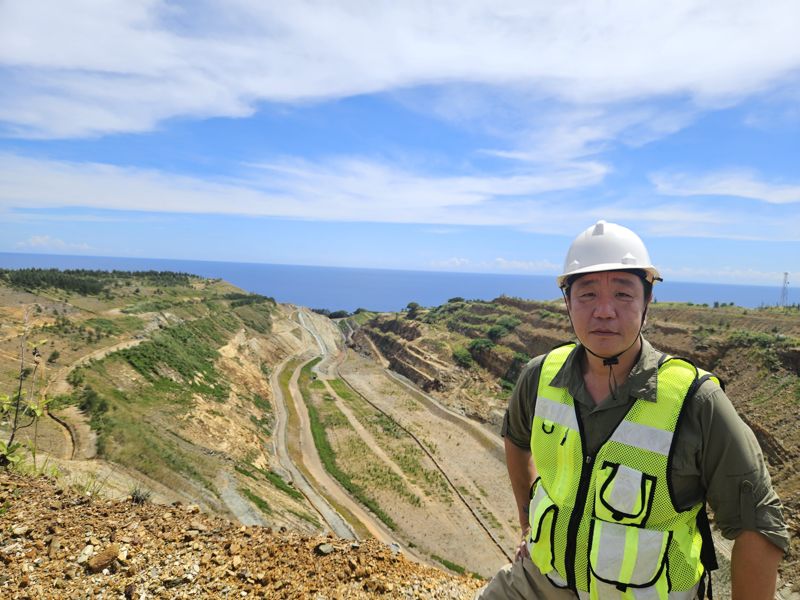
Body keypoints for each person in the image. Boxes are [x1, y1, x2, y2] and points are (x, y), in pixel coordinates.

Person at [478, 221, 788, 599]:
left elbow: (757, 525)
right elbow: (517, 436)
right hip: (539, 581)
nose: (604, 311)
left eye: (623, 294)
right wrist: (528, 524)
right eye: (587, 294)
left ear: (647, 300)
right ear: (567, 301)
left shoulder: (696, 402)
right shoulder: (540, 375)